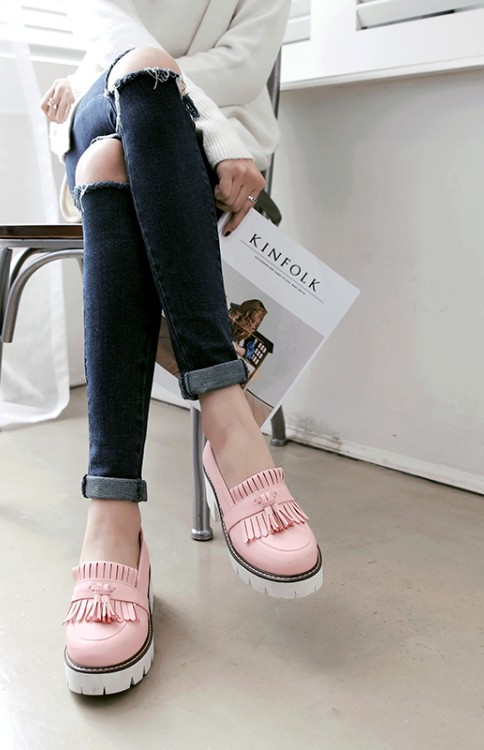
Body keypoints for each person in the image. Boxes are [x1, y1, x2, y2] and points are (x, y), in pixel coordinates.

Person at [41, 0, 322, 696]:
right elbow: (115, 40)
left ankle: (113, 517)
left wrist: (184, 106)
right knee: (139, 76)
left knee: (113, 158)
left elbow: (243, 67)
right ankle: (229, 423)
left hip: (194, 158)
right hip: (117, 110)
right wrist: (212, 125)